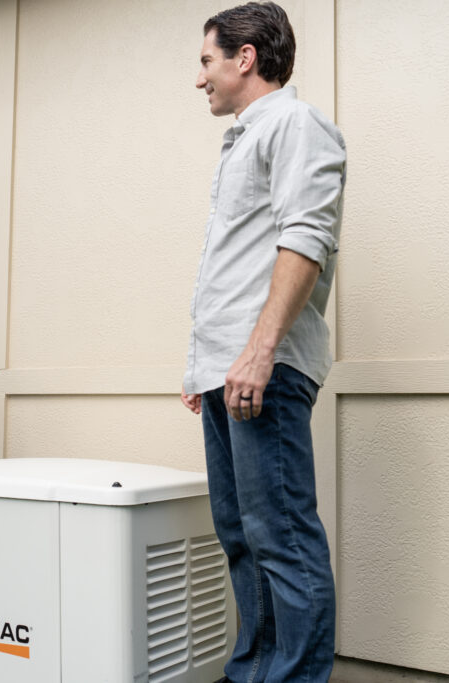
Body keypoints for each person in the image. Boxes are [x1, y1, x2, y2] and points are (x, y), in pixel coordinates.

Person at [180, 3, 346, 682]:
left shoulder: (295, 124)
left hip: (262, 368)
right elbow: (240, 263)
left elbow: (306, 237)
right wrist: (203, 366)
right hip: (229, 371)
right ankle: (252, 671)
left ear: (244, 58)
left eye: (207, 61)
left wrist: (258, 352)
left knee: (281, 535)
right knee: (242, 535)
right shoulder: (246, 139)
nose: (200, 78)